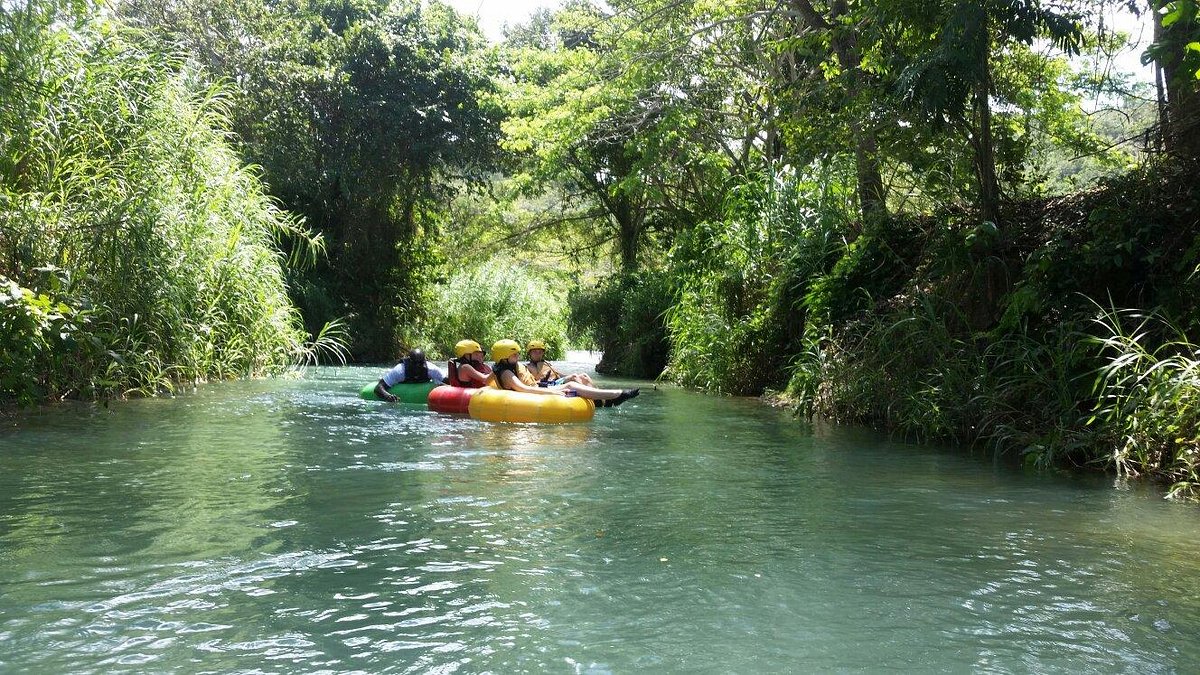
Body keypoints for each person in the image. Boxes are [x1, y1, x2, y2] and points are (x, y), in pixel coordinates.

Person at [487, 339, 638, 407]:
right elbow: (524, 389)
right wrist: (551, 393)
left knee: (574, 381)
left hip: (538, 389)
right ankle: (617, 395)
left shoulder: (504, 368)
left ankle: (615, 396)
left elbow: (486, 379)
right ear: (504, 356)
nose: (517, 357)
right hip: (534, 392)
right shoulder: (507, 373)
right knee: (571, 384)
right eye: (514, 355)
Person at [374, 348, 446, 403]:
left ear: (424, 361)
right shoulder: (400, 370)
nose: (417, 366)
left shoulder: (432, 369)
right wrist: (388, 396)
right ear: (409, 361)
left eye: (420, 363)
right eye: (415, 363)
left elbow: (450, 381)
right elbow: (378, 388)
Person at [525, 339, 594, 387]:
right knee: (574, 377)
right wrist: (542, 381)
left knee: (584, 376)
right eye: (534, 352)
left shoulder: (547, 364)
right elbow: (529, 383)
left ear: (543, 353)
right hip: (548, 384)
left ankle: (597, 397)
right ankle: (591, 397)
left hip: (557, 381)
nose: (537, 354)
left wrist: (568, 376)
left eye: (540, 352)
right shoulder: (527, 367)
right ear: (529, 353)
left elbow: (558, 375)